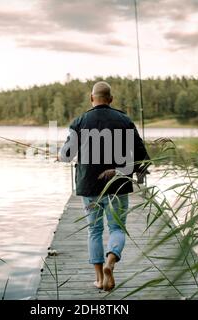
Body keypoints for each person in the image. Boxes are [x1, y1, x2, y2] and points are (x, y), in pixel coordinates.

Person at [58, 81, 149, 291]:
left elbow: (66, 155)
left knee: (94, 230)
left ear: (92, 99)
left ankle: (99, 279)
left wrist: (60, 156)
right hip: (118, 186)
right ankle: (110, 263)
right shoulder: (125, 121)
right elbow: (141, 155)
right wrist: (138, 173)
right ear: (111, 99)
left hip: (89, 188)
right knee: (116, 227)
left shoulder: (79, 121)